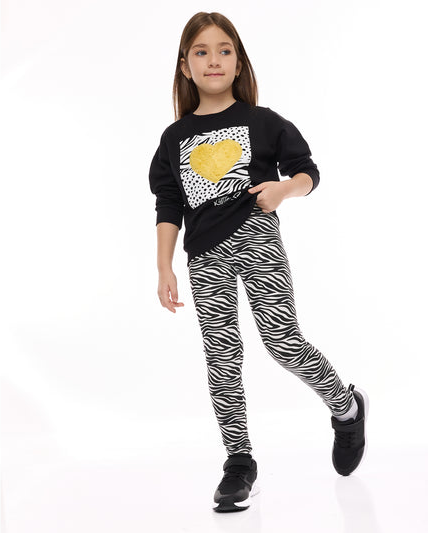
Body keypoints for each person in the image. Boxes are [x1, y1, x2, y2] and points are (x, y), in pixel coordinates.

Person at [148, 11, 369, 513]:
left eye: (224, 50)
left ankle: (346, 407)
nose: (213, 60)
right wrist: (164, 266)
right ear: (184, 66)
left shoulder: (263, 122)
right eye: (201, 51)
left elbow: (307, 171)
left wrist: (285, 189)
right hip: (205, 256)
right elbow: (168, 204)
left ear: (239, 61)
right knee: (222, 358)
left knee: (282, 342)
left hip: (257, 239)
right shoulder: (174, 137)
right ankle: (239, 462)